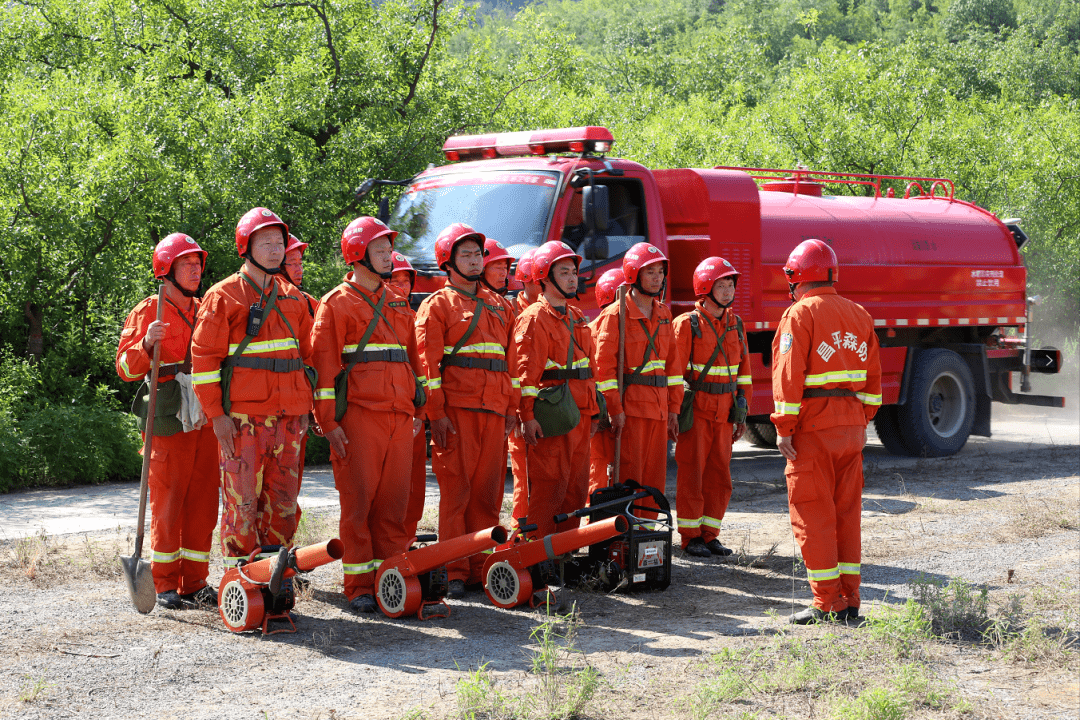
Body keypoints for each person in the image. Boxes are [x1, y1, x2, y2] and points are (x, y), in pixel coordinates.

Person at [309, 217, 425, 614]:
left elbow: (413, 360)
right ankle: (358, 585)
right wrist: (329, 424)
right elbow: (323, 371)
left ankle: (390, 580)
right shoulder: (336, 303)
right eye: (378, 249)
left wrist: (420, 407)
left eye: (387, 249)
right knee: (358, 505)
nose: (387, 255)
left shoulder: (396, 300)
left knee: (393, 505)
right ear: (358, 255)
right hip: (358, 419)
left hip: (398, 417)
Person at [191, 207, 314, 570]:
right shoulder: (223, 296)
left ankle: (277, 574)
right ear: (246, 246)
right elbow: (204, 362)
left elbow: (311, 355)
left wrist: (309, 410)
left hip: (290, 419)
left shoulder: (294, 298)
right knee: (242, 503)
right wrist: (217, 417)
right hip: (242, 420)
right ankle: (242, 578)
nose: (276, 250)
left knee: (284, 502)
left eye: (279, 242)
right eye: (266, 243)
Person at [771, 239, 881, 624]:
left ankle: (827, 604)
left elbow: (789, 375)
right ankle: (850, 600)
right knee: (847, 515)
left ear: (796, 277)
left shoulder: (799, 315)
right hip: (851, 428)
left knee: (814, 515)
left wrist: (784, 428)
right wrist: (859, 417)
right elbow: (873, 383)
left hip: (813, 429)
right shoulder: (860, 315)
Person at [116, 234, 220, 610]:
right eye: (186, 264)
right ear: (167, 270)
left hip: (205, 415)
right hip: (168, 416)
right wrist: (145, 344)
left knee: (204, 500)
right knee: (168, 501)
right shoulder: (149, 309)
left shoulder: (208, 306)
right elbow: (125, 368)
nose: (195, 270)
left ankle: (194, 582)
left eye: (197, 263)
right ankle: (163, 584)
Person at [415, 223, 517, 598]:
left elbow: (511, 364)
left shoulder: (499, 305)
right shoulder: (436, 306)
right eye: (466, 255)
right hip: (456, 413)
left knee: (487, 494)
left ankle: (481, 565)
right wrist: (436, 415)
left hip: (493, 411)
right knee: (457, 492)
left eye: (478, 254)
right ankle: (454, 569)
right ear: (448, 262)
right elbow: (429, 368)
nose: (475, 261)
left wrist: (511, 408)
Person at [512, 241, 599, 538]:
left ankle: (565, 552)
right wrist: (527, 417)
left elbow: (590, 368)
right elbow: (525, 374)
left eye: (574, 272)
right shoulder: (534, 318)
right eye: (564, 272)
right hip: (552, 417)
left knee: (575, 489)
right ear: (545, 278)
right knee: (550, 487)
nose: (573, 278)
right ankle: (537, 555)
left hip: (580, 415)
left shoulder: (576, 316)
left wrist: (596, 409)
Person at [591, 244, 682, 514]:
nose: (657, 278)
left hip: (658, 410)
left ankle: (648, 537)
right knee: (629, 477)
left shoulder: (664, 314)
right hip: (630, 412)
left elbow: (673, 368)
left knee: (654, 480)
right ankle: (625, 538)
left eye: (660, 272)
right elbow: (604, 370)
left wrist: (674, 409)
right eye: (650, 272)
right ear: (634, 274)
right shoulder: (615, 315)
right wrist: (615, 410)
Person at [673, 257, 752, 558]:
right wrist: (676, 413)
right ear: (705, 288)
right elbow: (675, 375)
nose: (728, 289)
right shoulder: (687, 325)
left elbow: (743, 372)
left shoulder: (737, 324)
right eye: (721, 284)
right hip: (697, 413)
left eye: (731, 284)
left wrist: (742, 412)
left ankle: (710, 535)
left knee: (720, 476)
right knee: (692, 473)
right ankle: (690, 537)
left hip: (724, 414)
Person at [388, 251, 429, 541]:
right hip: (382, 415)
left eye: (406, 281)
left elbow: (422, 372)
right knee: (389, 486)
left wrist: (422, 413)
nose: (402, 287)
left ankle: (408, 538)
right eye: (395, 279)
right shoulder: (368, 316)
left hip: (411, 413)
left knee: (414, 484)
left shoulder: (414, 318)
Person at [281, 233, 319, 532]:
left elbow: (318, 359)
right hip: (261, 410)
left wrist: (318, 408)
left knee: (289, 482)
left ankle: (284, 554)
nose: (299, 268)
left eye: (299, 262)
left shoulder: (310, 304)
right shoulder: (247, 298)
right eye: (291, 262)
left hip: (298, 406)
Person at [508, 248, 540, 523]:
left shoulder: (556, 312)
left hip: (550, 408)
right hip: (522, 409)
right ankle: (522, 528)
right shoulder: (511, 313)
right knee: (524, 474)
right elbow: (513, 368)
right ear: (526, 281)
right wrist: (518, 411)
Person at [587, 267, 624, 493]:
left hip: (601, 411)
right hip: (606, 411)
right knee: (602, 465)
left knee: (598, 466)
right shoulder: (604, 328)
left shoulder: (590, 328)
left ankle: (599, 519)